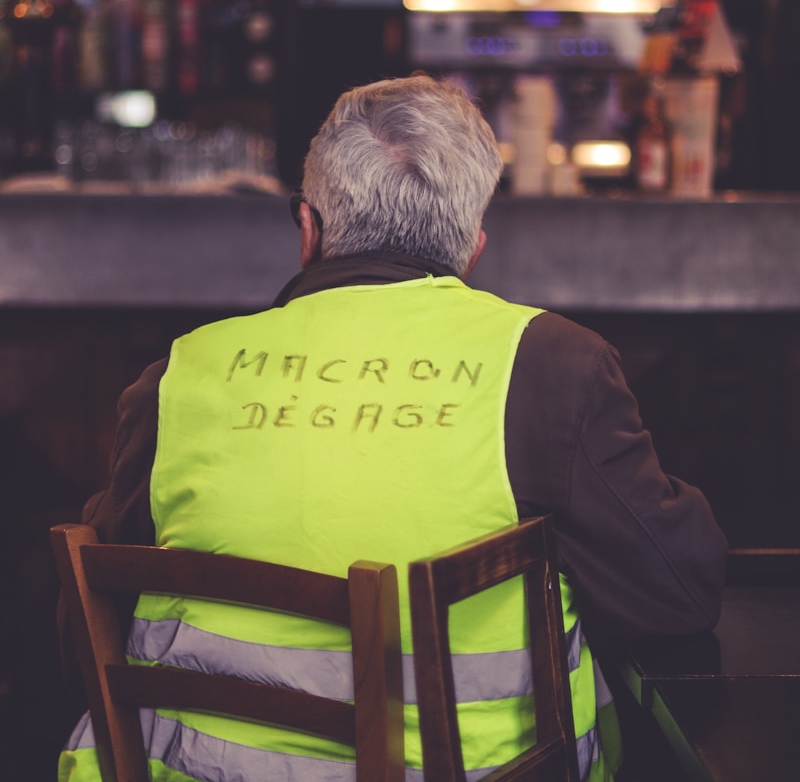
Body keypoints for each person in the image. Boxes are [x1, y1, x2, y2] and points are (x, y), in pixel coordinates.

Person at [58, 74, 728, 782]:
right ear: (472, 247)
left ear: (308, 230)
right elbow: (679, 594)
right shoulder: (551, 367)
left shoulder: (177, 378)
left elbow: (85, 635)